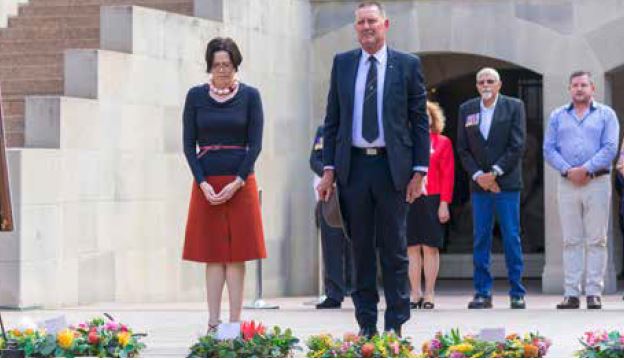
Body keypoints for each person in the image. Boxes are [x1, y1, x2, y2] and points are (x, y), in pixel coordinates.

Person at [316, 1, 429, 337]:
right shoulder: (343, 64)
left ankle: (396, 323)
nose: (366, 27)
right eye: (361, 22)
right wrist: (328, 170)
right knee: (360, 249)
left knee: (395, 248)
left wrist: (419, 170)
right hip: (353, 169)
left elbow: (419, 121)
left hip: (391, 168)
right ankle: (366, 323)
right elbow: (332, 120)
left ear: (386, 25)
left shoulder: (407, 65)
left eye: (372, 21)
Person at [182, 37, 266, 332]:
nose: (222, 70)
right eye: (217, 64)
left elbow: (255, 145)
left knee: (236, 255)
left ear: (235, 65)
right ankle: (213, 322)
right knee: (213, 255)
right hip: (207, 184)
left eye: (227, 64)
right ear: (209, 66)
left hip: (240, 182)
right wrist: (202, 182)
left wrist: (238, 181)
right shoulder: (194, 97)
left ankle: (234, 323)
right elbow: (187, 144)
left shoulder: (251, 96)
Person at [543, 70, 619, 310]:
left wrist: (585, 169)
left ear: (592, 88)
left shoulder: (607, 115)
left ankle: (594, 292)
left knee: (597, 239)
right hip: (567, 184)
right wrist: (568, 171)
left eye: (583, 85)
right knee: (571, 240)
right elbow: (549, 149)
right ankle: (571, 293)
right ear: (569, 89)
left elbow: (610, 147)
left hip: (597, 182)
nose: (579, 89)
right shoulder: (557, 116)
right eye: (575, 85)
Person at [456, 67, 527, 310]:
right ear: (477, 86)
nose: (485, 84)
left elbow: (517, 145)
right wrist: (479, 176)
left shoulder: (514, 106)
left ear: (499, 84)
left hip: (506, 184)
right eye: (481, 81)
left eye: (490, 81)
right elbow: (463, 149)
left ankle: (517, 292)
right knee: (481, 238)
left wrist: (494, 172)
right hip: (478, 186)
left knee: (511, 237)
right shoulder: (467, 109)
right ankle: (482, 293)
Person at [407, 101, 454, 310]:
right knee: (412, 248)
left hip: (433, 198)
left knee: (430, 247)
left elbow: (448, 175)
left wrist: (444, 203)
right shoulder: (405, 142)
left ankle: (429, 293)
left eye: (425, 114)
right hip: (409, 199)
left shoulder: (442, 142)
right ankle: (414, 293)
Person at [310, 125, 353, 309]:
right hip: (332, 193)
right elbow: (315, 160)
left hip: (357, 188)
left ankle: (357, 287)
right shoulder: (325, 129)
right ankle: (334, 292)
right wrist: (330, 177)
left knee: (359, 242)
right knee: (331, 243)